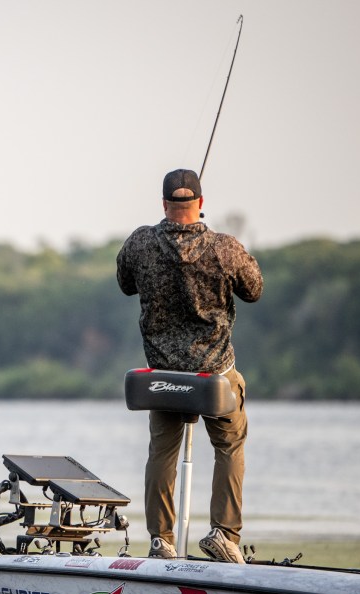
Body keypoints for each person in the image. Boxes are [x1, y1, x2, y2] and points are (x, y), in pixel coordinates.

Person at [116, 168, 263, 563]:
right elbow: (254, 290)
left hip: (163, 376)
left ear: (164, 204)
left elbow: (125, 283)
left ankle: (161, 540)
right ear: (200, 203)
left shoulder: (140, 243)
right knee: (229, 444)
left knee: (162, 453)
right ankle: (224, 534)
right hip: (214, 373)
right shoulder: (225, 248)